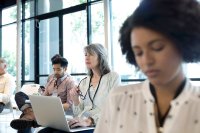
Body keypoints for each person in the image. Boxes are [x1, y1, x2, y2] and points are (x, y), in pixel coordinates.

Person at [94, 0, 200, 133]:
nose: (146, 60)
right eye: (138, 52)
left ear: (183, 43)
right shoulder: (119, 99)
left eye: (157, 47)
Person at [38, 43, 121, 133]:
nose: (87, 57)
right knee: (43, 132)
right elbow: (78, 113)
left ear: (101, 57)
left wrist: (90, 120)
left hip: (100, 124)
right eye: (85, 55)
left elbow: (115, 107)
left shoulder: (113, 77)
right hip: (83, 124)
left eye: (91, 54)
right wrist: (75, 100)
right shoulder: (84, 82)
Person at [10, 54, 76, 132]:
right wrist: (39, 100)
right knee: (19, 95)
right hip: (45, 105)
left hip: (55, 109)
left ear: (65, 69)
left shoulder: (70, 82)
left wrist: (53, 105)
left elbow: (69, 105)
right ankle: (31, 114)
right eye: (54, 69)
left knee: (24, 117)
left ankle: (31, 116)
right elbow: (45, 94)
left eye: (58, 69)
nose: (55, 72)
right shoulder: (52, 77)